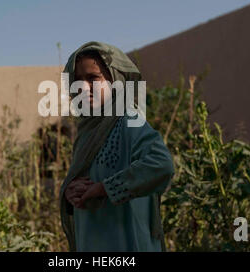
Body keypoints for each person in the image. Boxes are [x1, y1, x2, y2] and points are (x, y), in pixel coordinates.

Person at [59, 41, 174, 252]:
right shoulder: (87, 131)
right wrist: (70, 191)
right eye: (77, 80)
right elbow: (86, 176)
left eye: (94, 78)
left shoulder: (128, 121)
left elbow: (161, 165)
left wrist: (103, 188)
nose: (84, 88)